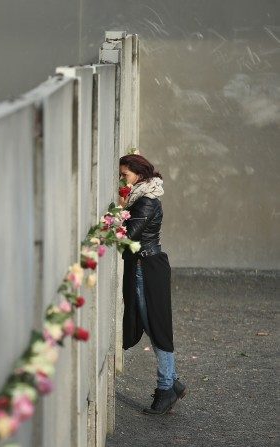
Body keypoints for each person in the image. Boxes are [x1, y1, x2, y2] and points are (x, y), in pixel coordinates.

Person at [118, 153, 186, 415]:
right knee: (151, 323)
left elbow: (128, 237)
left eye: (125, 175)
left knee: (155, 326)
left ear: (138, 173)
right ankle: (173, 380)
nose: (122, 180)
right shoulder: (142, 198)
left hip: (145, 268)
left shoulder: (145, 202)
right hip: (144, 266)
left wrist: (120, 210)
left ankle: (166, 387)